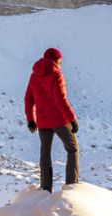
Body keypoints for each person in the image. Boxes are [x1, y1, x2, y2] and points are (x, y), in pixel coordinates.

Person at [24, 47, 79, 192]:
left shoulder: (34, 76)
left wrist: (31, 119)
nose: (61, 63)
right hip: (59, 120)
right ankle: (71, 184)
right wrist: (72, 119)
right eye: (60, 60)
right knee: (72, 148)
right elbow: (60, 100)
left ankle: (45, 188)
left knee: (45, 152)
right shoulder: (56, 75)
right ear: (56, 59)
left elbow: (28, 99)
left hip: (42, 121)